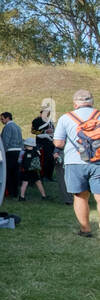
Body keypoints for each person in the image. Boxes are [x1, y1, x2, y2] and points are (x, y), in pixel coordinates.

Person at [52, 89, 100, 237]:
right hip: (98, 161)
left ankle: (85, 229)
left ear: (75, 104)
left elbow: (58, 143)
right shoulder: (98, 115)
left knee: (80, 197)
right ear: (92, 102)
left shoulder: (66, 118)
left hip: (75, 162)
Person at [0, 112, 23, 200]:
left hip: (10, 151)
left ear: (7, 118)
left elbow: (5, 141)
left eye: (2, 119)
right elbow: (21, 140)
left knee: (8, 173)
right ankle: (16, 192)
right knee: (16, 173)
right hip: (18, 151)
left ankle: (10, 192)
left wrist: (2, 152)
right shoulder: (17, 127)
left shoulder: (7, 127)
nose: (1, 121)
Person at [32, 113, 56, 182]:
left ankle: (49, 176)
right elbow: (33, 131)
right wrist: (45, 131)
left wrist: (52, 132)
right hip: (42, 143)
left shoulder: (50, 121)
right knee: (44, 160)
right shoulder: (37, 120)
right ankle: (43, 176)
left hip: (51, 142)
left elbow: (53, 129)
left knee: (51, 160)